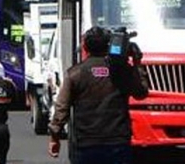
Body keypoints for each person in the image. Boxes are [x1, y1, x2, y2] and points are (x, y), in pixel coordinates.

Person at [48, 26, 149, 164]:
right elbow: (141, 93)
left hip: (86, 144)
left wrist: (55, 136)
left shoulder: (75, 74)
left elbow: (61, 108)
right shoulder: (121, 71)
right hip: (117, 142)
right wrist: (137, 63)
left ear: (85, 47)